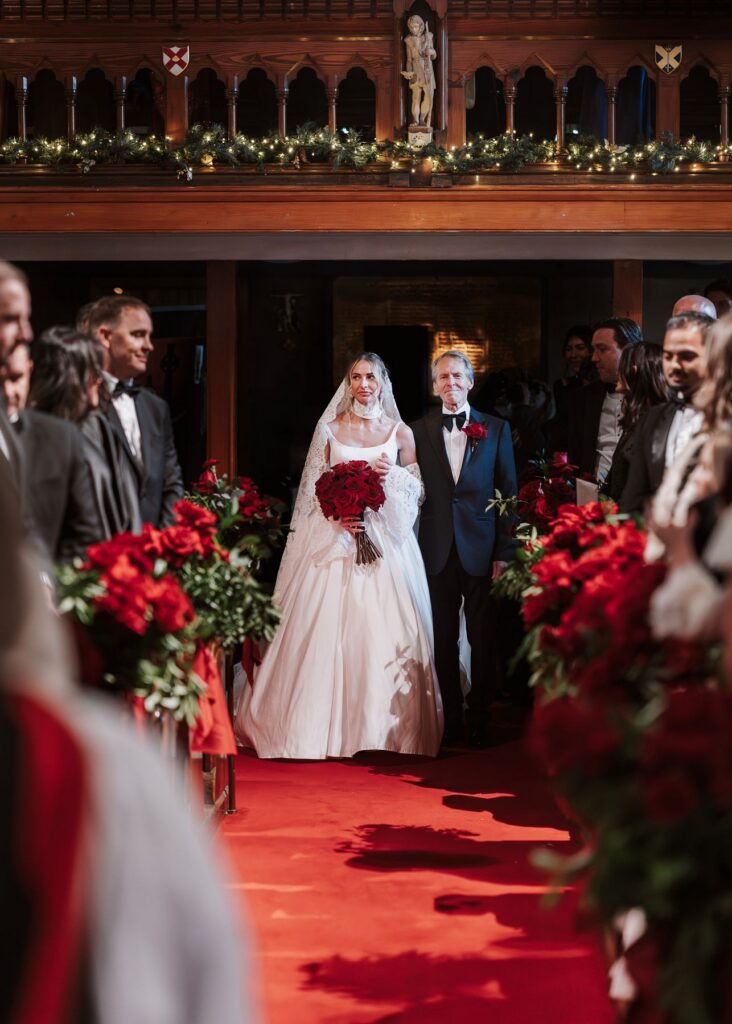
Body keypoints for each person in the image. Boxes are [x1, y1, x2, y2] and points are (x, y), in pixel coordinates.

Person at [236, 352, 443, 759]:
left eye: (371, 376)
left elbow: (419, 493)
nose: (364, 383)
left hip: (385, 544)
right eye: (356, 376)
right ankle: (314, 731)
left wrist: (395, 476)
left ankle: (382, 733)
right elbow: (312, 490)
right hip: (337, 541)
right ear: (348, 384)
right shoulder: (329, 429)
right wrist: (339, 516)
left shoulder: (400, 432)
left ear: (383, 382)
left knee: (383, 631)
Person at [411, 350, 517, 748]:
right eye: (443, 377)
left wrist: (504, 553)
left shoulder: (496, 428)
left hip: (481, 548)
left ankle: (480, 716)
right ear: (435, 385)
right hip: (435, 549)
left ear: (471, 381)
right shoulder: (417, 430)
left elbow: (508, 494)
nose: (450, 383)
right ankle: (450, 717)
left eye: (458, 375)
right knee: (442, 639)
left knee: (482, 636)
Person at [29, 327, 142, 538]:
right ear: (70, 378)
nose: (98, 380)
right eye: (92, 371)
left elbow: (126, 505)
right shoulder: (35, 438)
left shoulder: (100, 427)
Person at [85, 295, 183, 527]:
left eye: (149, 336)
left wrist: (161, 544)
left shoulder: (156, 407)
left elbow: (171, 482)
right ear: (106, 337)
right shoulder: (81, 401)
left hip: (151, 553)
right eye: (138, 335)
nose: (149, 346)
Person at [5, 337, 105, 561]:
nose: (8, 392)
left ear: (30, 370)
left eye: (16, 378)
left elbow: (84, 536)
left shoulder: (61, 438)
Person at [620, 311, 713, 513]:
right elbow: (632, 500)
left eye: (686, 356)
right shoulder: (653, 418)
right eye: (668, 356)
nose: (674, 365)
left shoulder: (725, 417)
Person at [568, 316, 643, 481]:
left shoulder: (652, 397)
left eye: (602, 349)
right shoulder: (583, 398)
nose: (594, 358)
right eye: (594, 350)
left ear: (629, 351)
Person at [606, 342, 668, 503]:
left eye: (622, 365)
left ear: (634, 370)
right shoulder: (635, 420)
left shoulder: (656, 427)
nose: (617, 371)